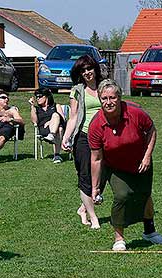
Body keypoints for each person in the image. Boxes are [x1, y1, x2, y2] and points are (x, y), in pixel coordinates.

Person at [89, 79, 162, 251]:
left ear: (119, 98)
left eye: (112, 97)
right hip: (115, 166)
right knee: (122, 195)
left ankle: (150, 232)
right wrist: (95, 187)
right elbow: (96, 158)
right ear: (100, 100)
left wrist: (147, 156)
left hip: (140, 161)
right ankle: (119, 238)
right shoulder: (96, 125)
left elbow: (151, 130)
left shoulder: (135, 113)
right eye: (104, 98)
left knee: (145, 195)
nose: (108, 102)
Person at [61, 55, 104, 229]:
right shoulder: (77, 90)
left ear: (95, 68)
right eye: (83, 70)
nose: (87, 72)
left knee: (104, 175)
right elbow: (73, 117)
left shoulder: (105, 86)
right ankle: (93, 217)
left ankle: (83, 207)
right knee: (85, 176)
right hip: (84, 137)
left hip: (105, 136)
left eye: (89, 68)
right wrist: (66, 137)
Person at [29, 88, 66, 164]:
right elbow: (34, 122)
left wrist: (50, 122)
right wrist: (32, 106)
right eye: (36, 97)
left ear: (46, 96)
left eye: (39, 96)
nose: (37, 98)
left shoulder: (56, 106)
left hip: (57, 127)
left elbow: (63, 119)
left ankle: (52, 138)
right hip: (44, 129)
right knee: (59, 129)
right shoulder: (37, 109)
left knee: (57, 120)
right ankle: (57, 155)